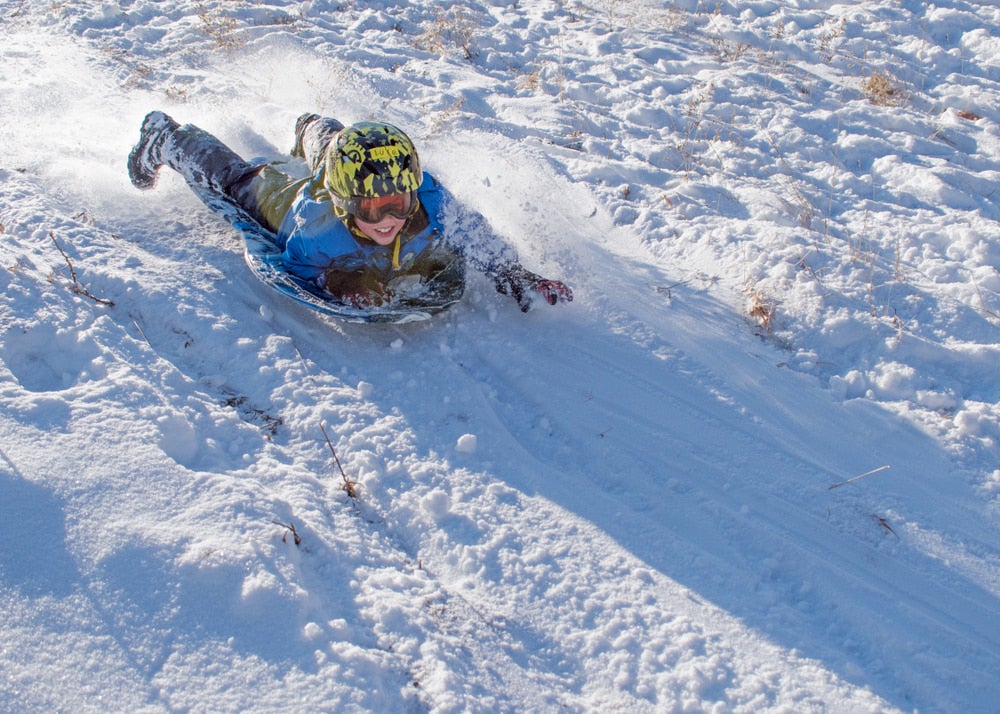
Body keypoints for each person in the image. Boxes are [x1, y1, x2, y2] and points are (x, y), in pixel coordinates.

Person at [127, 111, 573, 312]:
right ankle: (167, 137)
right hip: (286, 199)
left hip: (343, 175)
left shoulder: (428, 200)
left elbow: (472, 235)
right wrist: (339, 280)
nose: (386, 222)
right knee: (238, 182)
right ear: (344, 206)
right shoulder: (316, 231)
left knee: (351, 153)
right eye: (370, 210)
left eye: (395, 206)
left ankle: (313, 128)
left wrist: (516, 273)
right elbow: (294, 268)